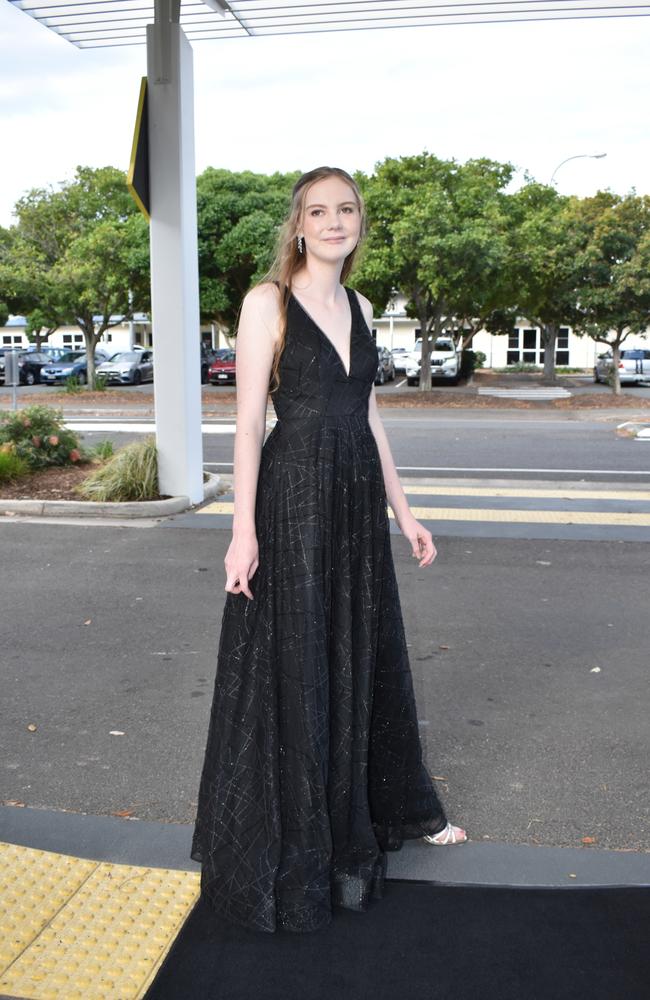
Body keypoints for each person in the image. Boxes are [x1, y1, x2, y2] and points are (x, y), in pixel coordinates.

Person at [190, 165, 467, 935]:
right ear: (300, 224)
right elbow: (247, 425)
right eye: (320, 210)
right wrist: (242, 531)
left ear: (359, 223)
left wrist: (404, 512)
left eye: (347, 208)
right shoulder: (266, 302)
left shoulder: (361, 304)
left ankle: (375, 813)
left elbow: (370, 417)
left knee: (359, 651)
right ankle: (298, 835)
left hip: (353, 504)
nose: (335, 221)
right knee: (301, 660)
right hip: (293, 500)